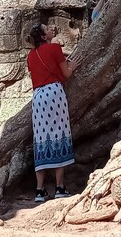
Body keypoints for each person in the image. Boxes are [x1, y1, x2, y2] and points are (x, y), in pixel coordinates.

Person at [27, 23, 82, 203]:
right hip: (54, 94)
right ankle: (59, 187)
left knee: (41, 140)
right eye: (47, 28)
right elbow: (66, 73)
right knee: (60, 135)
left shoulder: (30, 56)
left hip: (38, 97)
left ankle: (39, 190)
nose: (51, 28)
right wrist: (72, 66)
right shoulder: (55, 47)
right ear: (44, 36)